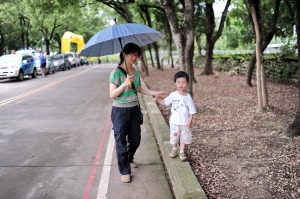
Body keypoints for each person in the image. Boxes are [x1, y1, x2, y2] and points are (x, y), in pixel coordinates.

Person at [109, 43, 167, 183]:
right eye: (132, 54)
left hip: (134, 109)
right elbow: (112, 94)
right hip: (120, 111)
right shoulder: (116, 73)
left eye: (137, 55)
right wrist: (123, 84)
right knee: (121, 141)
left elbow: (140, 89)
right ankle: (124, 170)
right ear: (125, 54)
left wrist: (155, 92)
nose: (134, 57)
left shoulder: (135, 72)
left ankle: (129, 158)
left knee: (135, 140)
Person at [153, 71, 197, 162]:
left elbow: (192, 110)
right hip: (174, 122)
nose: (181, 84)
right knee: (174, 137)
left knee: (184, 137)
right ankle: (174, 148)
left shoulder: (188, 97)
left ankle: (181, 151)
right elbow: (165, 102)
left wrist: (190, 120)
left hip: (184, 122)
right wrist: (157, 100)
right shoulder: (173, 95)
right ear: (175, 83)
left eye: (184, 82)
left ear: (187, 83)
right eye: (179, 82)